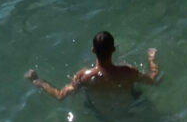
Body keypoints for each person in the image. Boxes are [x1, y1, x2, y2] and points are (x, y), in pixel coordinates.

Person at [27, 29, 159, 100]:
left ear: (93, 51)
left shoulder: (83, 76)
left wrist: (38, 81)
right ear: (113, 50)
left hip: (100, 114)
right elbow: (153, 80)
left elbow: (60, 95)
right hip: (129, 106)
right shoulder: (128, 71)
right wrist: (151, 59)